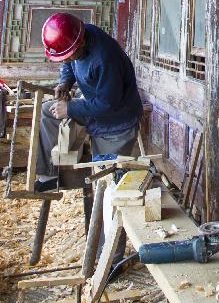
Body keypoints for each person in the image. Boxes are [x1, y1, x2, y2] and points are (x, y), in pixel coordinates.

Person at [36, 13, 143, 191]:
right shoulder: (78, 34)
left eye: (69, 55)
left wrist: (70, 108)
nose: (66, 59)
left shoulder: (106, 58)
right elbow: (68, 63)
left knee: (105, 180)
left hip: (116, 122)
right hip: (94, 108)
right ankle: (49, 176)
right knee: (48, 110)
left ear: (82, 42)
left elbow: (108, 104)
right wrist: (65, 82)